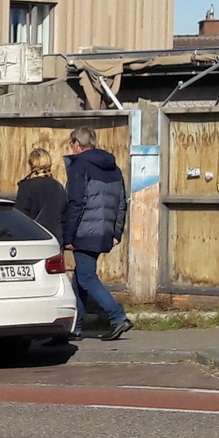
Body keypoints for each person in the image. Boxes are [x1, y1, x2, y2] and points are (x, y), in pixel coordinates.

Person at [61, 127, 133, 341]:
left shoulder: (79, 166)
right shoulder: (114, 169)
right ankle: (76, 326)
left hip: (83, 232)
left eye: (71, 143)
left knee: (87, 277)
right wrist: (116, 232)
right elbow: (122, 203)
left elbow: (76, 203)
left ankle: (118, 316)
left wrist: (68, 236)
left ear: (76, 144)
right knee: (80, 279)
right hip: (104, 232)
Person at [15, 146, 67, 242]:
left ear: (31, 164)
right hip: (55, 240)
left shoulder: (27, 186)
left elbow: (20, 216)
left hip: (34, 238)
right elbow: (64, 214)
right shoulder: (58, 186)